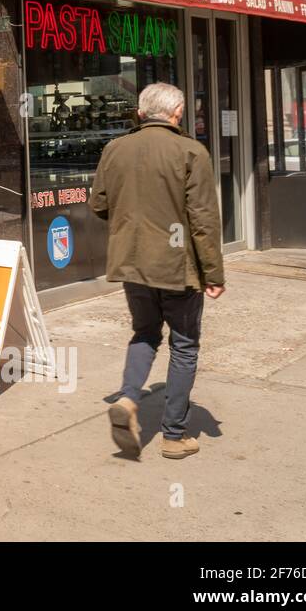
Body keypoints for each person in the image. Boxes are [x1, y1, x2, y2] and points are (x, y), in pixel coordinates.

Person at [89, 82, 225, 460]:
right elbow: (203, 220)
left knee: (145, 333)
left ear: (140, 113)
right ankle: (173, 435)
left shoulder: (115, 148)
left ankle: (130, 398)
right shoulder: (190, 151)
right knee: (184, 345)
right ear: (177, 113)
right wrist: (213, 273)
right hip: (177, 267)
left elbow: (98, 203)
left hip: (132, 262)